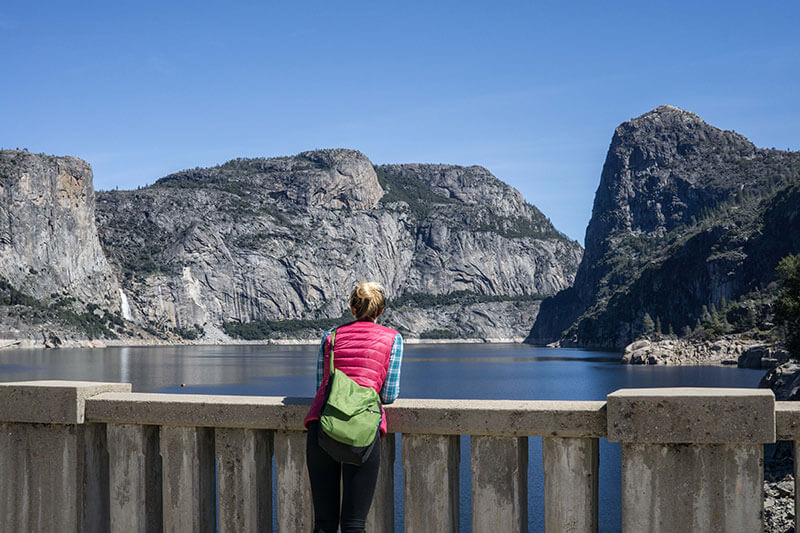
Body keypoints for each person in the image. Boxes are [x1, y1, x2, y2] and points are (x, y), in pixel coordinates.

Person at [304, 281, 403, 533]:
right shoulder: (393, 339)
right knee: (354, 524)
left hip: (323, 427)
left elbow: (322, 387)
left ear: (351, 308)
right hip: (363, 430)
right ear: (380, 311)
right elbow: (389, 394)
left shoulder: (331, 336)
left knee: (324, 524)